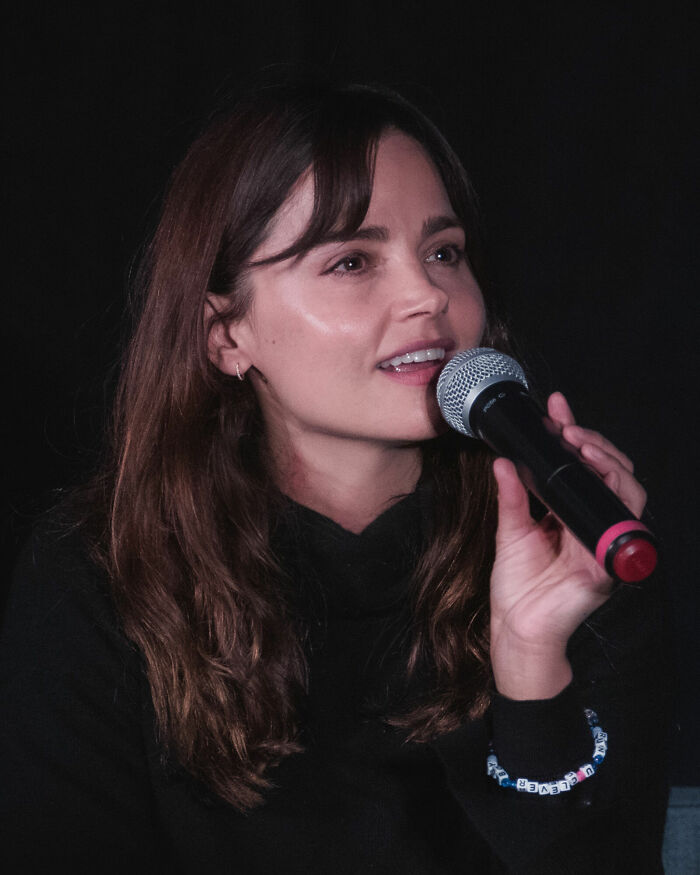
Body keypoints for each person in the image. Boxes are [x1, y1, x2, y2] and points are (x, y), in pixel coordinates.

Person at [0, 82, 671, 873]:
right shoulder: (100, 572)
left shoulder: (583, 544)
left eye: (445, 252)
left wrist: (532, 663)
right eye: (353, 259)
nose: (428, 294)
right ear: (226, 335)